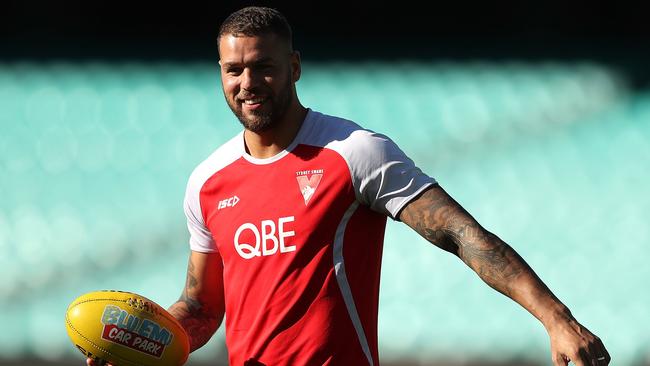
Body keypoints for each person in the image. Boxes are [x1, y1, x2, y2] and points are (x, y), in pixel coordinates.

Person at [89, 5, 610, 366]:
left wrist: (555, 318)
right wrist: (141, 346)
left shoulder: (355, 152)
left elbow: (461, 235)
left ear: (293, 68)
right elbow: (203, 308)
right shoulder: (206, 182)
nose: (247, 84)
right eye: (233, 70)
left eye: (263, 68)